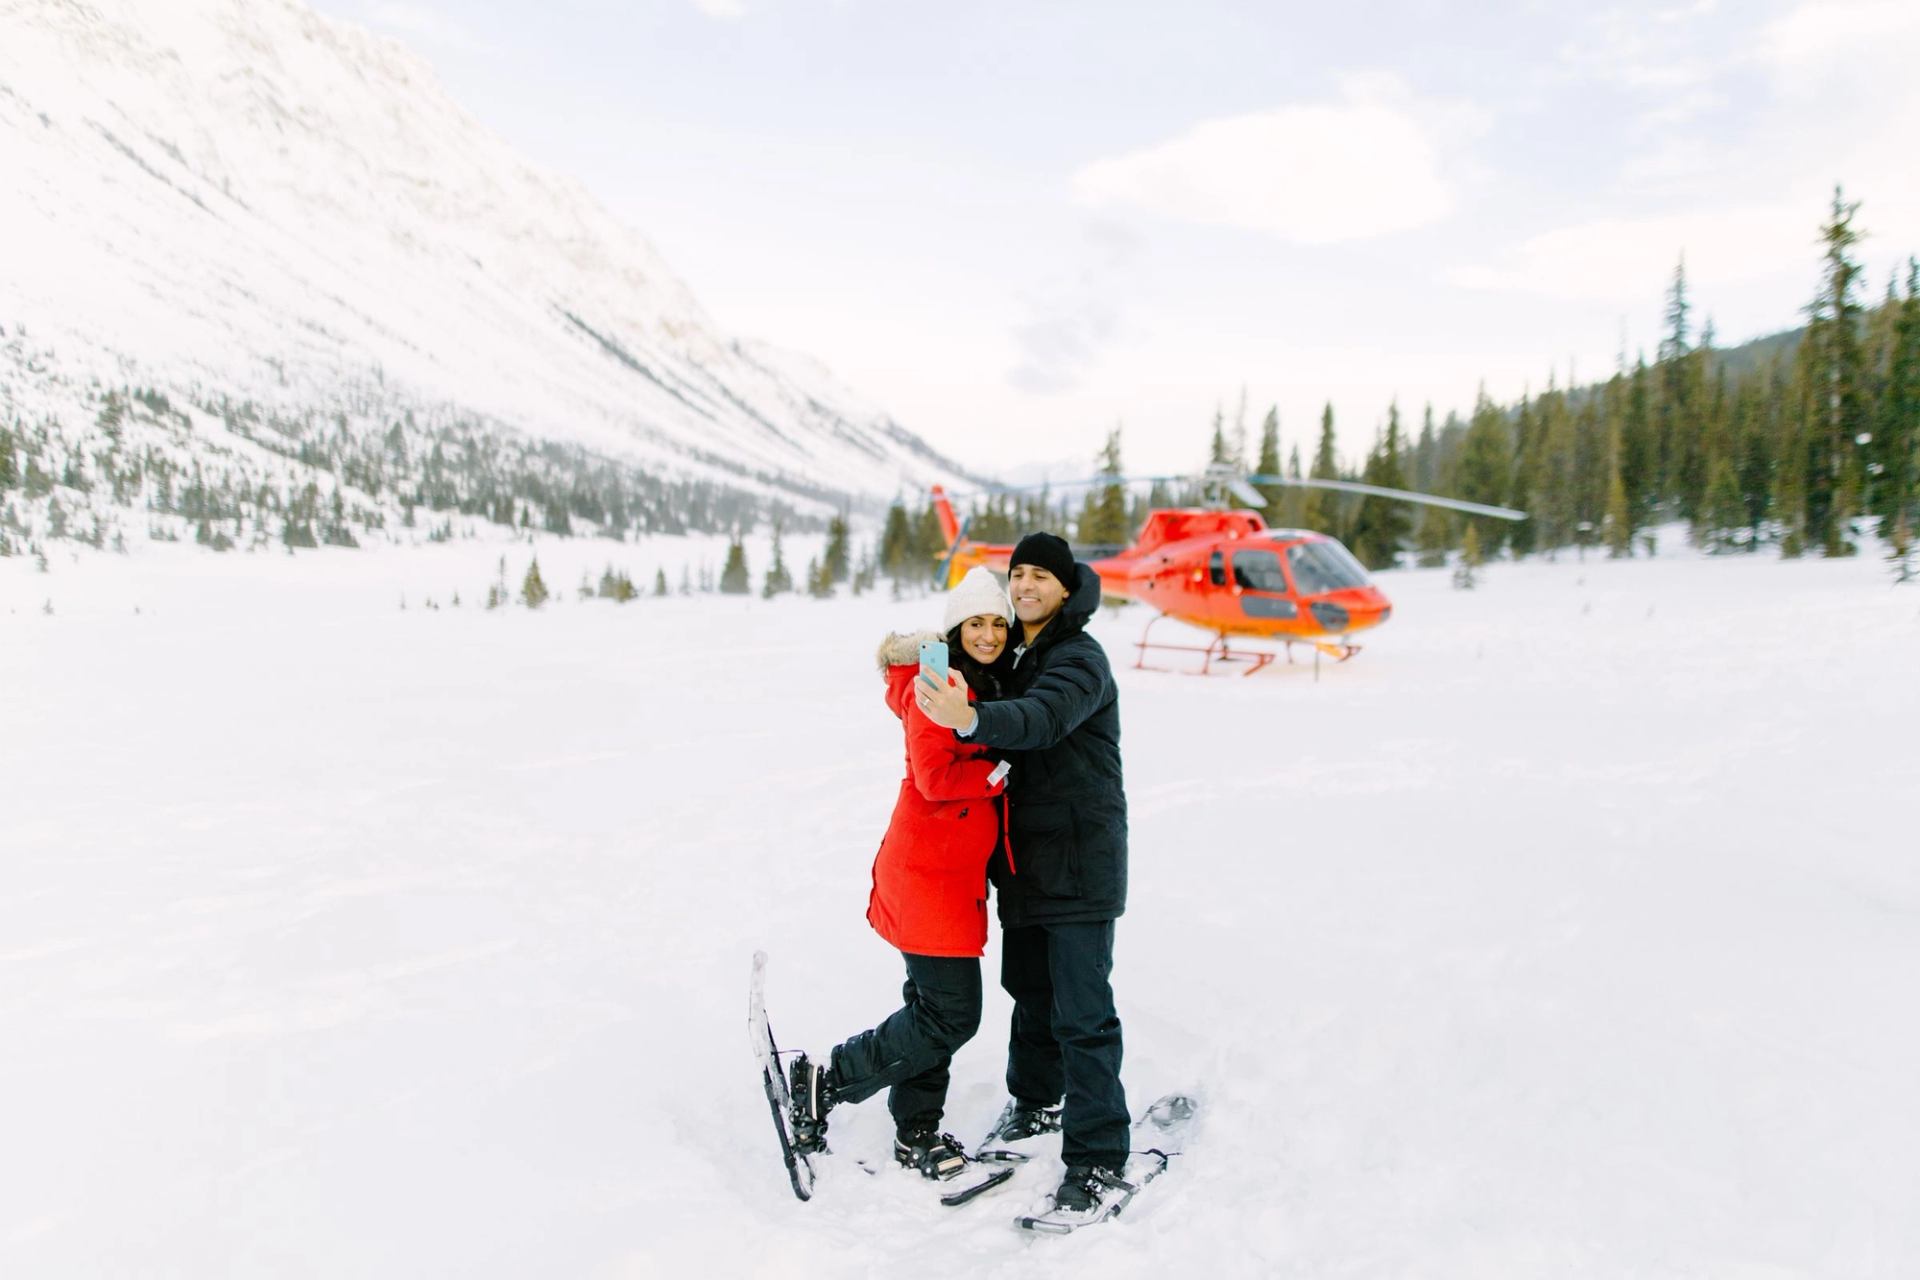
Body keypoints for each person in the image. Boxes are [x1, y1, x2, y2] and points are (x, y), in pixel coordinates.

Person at [918, 531, 1131, 1225]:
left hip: (1079, 861)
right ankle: (1035, 1105)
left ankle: (1098, 1161)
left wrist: (974, 718)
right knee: (1031, 995)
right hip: (1026, 864)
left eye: (1041, 576)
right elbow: (951, 658)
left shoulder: (1078, 659)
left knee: (1082, 1013)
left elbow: (1041, 720)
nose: (1026, 586)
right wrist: (909, 656)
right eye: (1018, 575)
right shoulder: (1016, 654)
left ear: (1067, 588)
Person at [786, 565, 1017, 1181]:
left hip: (946, 876)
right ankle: (826, 1080)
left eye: (999, 622)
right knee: (951, 1014)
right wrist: (999, 775)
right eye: (977, 622)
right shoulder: (935, 684)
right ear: (955, 628)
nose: (990, 633)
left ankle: (917, 1130)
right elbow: (936, 777)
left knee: (930, 1010)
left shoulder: (977, 681)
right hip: (927, 875)